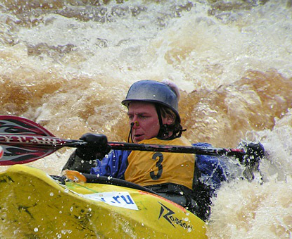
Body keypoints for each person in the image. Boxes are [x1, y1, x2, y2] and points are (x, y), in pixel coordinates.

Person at [63, 80, 264, 220]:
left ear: (167, 118)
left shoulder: (199, 155)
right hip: (134, 206)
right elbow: (75, 185)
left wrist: (249, 161)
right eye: (131, 116)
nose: (134, 123)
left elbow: (239, 189)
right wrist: (85, 155)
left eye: (143, 116)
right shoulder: (121, 153)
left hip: (178, 215)